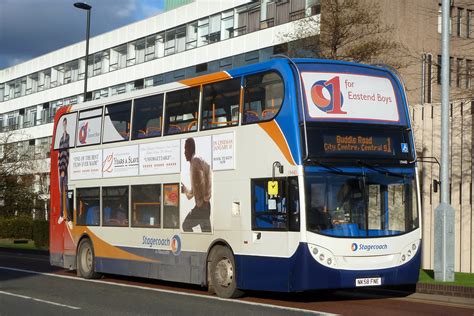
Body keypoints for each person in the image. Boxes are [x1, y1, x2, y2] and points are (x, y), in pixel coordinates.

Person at [181, 138, 212, 232]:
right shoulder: (192, 165)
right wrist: (185, 190)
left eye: (185, 149)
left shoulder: (195, 159)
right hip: (201, 207)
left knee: (185, 225)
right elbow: (192, 193)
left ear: (190, 149)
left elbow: (208, 169)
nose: (184, 153)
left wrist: (207, 196)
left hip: (202, 207)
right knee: (207, 234)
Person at [58, 117, 72, 230]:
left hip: (65, 169)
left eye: (65, 123)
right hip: (60, 169)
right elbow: (59, 154)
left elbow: (66, 153)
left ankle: (69, 218)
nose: (64, 125)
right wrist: (60, 169)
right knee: (61, 193)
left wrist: (64, 169)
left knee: (66, 193)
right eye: (63, 123)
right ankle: (61, 215)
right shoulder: (60, 139)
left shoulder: (67, 137)